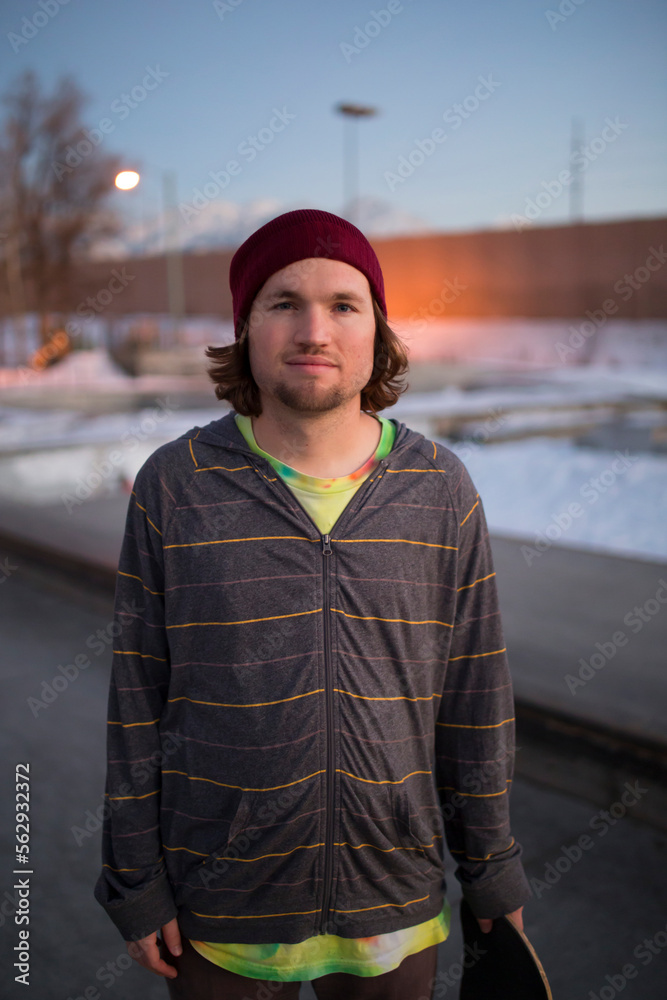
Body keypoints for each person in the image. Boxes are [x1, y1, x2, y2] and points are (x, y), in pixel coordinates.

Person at [94, 209, 532, 999]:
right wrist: (135, 883)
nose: (313, 329)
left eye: (343, 304)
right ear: (245, 327)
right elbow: (135, 700)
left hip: (395, 906)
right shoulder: (175, 486)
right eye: (282, 301)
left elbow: (475, 701)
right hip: (219, 912)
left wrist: (492, 871)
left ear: (377, 330)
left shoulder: (440, 491)